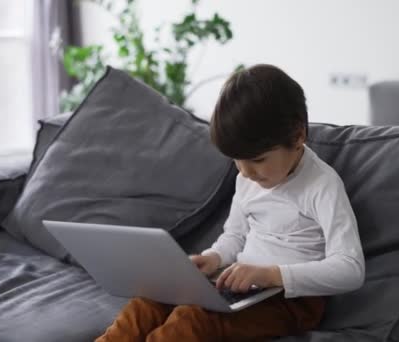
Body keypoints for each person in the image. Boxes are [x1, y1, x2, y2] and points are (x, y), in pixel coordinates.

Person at [96, 64, 365, 342]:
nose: (246, 172)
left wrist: (271, 275)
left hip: (292, 299)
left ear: (298, 136)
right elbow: (235, 235)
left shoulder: (322, 185)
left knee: (192, 319)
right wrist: (214, 258)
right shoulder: (248, 178)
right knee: (151, 298)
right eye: (237, 160)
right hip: (242, 286)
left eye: (257, 160)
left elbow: (350, 268)